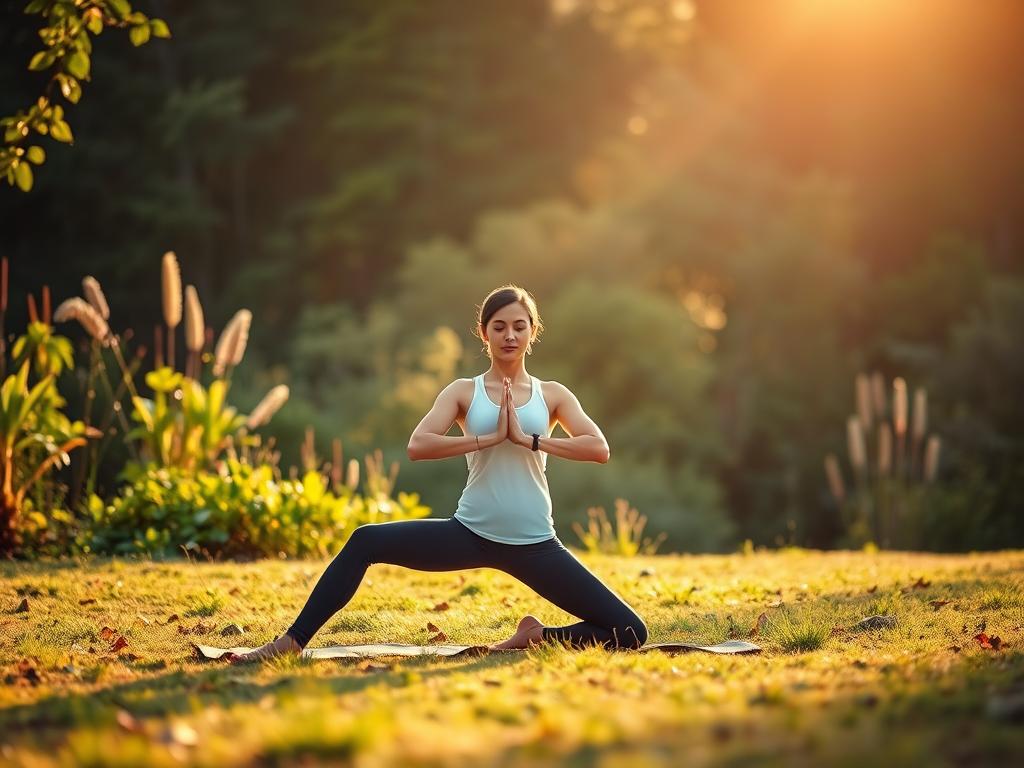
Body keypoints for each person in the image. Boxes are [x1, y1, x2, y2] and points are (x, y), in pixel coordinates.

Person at [230, 285, 647, 663]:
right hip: (470, 533)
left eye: (519, 327)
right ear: (484, 333)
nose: (509, 336)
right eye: (499, 327)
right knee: (364, 541)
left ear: (533, 332)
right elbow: (419, 445)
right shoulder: (463, 391)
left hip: (535, 542)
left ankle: (537, 636)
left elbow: (599, 448)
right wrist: (486, 439)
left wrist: (529, 440)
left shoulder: (552, 394)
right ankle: (293, 640)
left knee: (630, 631)